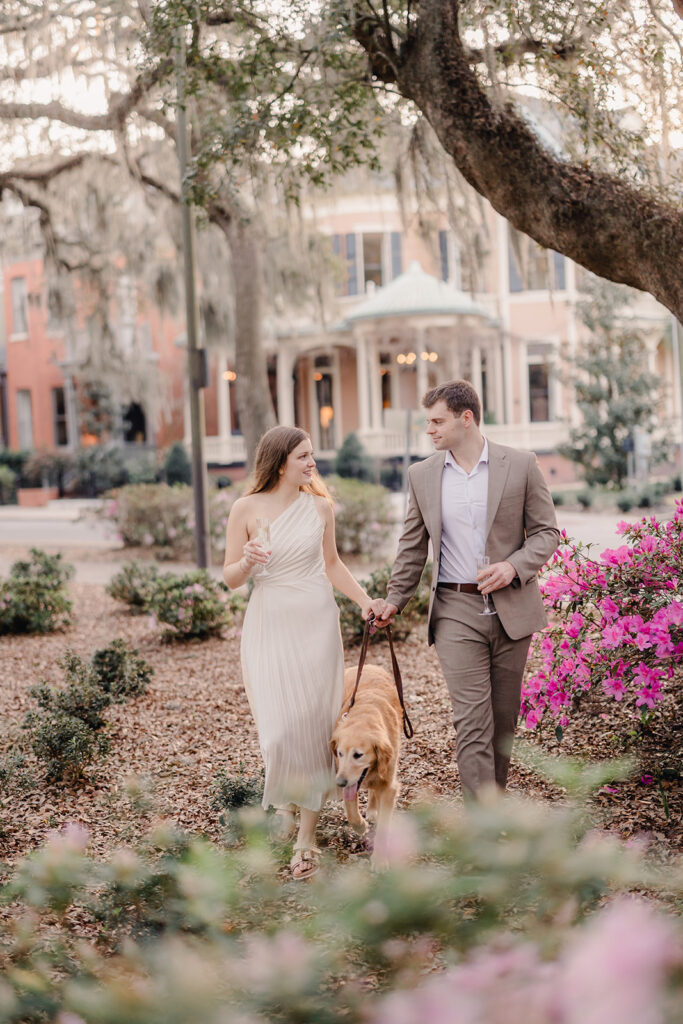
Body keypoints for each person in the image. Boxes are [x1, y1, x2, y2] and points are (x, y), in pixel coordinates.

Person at [370, 380, 560, 801]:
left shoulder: (521, 464)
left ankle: (493, 807)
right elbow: (412, 546)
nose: (429, 430)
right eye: (428, 422)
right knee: (472, 722)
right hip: (455, 608)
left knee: (502, 722)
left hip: (512, 610)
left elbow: (547, 533)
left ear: (466, 418)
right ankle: (481, 825)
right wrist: (394, 600)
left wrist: (513, 566)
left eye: (438, 421)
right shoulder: (422, 475)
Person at [223, 426, 375, 879]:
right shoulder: (245, 508)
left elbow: (332, 564)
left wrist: (365, 602)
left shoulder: (321, 507)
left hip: (316, 623)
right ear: (279, 462)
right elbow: (230, 577)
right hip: (269, 622)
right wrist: (247, 561)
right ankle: (288, 801)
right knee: (278, 732)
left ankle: (306, 837)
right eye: (303, 456)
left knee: (312, 727)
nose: (312, 463)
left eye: (312, 455)